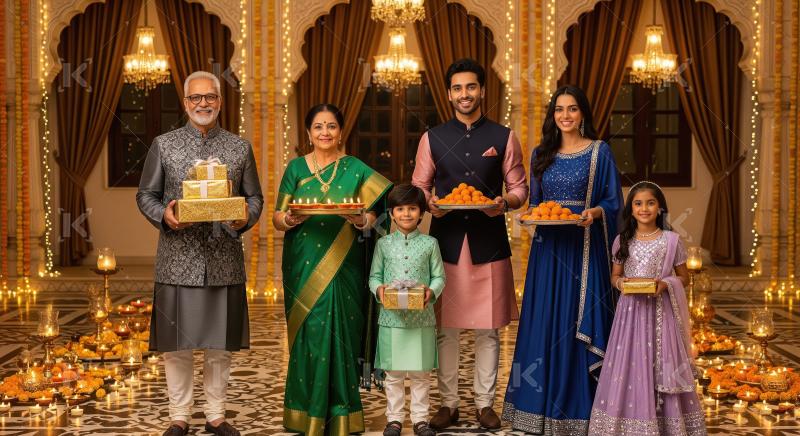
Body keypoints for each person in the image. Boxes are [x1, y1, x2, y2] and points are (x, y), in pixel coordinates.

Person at [137, 70, 263, 436]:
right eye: (196, 98)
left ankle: (215, 415)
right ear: (186, 103)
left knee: (219, 343)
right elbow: (145, 194)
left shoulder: (239, 148)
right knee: (175, 345)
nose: (203, 103)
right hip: (177, 260)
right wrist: (165, 215)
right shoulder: (164, 144)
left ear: (220, 102)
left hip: (224, 259)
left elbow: (254, 197)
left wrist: (244, 218)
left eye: (210, 97)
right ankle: (179, 416)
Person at [411, 58, 528, 430]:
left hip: (489, 243)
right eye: (458, 88)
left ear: (482, 91)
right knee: (445, 328)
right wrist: (428, 203)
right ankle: (448, 405)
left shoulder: (504, 136)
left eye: (471, 87)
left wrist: (503, 204)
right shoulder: (431, 137)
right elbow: (419, 187)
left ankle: (483, 404)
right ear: (449, 94)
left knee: (488, 329)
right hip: (443, 245)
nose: (465, 94)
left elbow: (519, 190)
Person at [502, 85, 623, 435]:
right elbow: (537, 205)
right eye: (559, 109)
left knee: (574, 324)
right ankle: (534, 409)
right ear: (552, 114)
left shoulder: (601, 153)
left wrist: (596, 212)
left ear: (583, 113)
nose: (565, 115)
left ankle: (580, 408)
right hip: (547, 253)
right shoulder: (541, 152)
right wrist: (526, 217)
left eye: (572, 109)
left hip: (584, 251)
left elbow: (615, 203)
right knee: (544, 321)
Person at [273, 104, 393, 435]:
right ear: (308, 132)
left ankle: (343, 410)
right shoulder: (296, 168)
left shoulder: (356, 168)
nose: (325, 133)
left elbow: (377, 216)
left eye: (331, 126)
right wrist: (290, 219)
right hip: (302, 261)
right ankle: (303, 409)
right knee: (310, 334)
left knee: (344, 332)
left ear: (341, 131)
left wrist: (360, 219)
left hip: (345, 264)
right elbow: (277, 217)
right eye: (318, 127)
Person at [588, 182, 706, 435]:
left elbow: (683, 278)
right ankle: (627, 422)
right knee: (630, 362)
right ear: (630, 209)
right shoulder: (623, 240)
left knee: (661, 363)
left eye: (650, 203)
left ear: (660, 207)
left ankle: (667, 425)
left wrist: (665, 283)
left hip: (661, 314)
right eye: (638, 203)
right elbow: (614, 276)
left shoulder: (672, 240)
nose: (644, 208)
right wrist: (623, 283)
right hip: (629, 315)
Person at [369, 184, 446, 436]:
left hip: (421, 319)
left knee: (421, 373)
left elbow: (439, 278)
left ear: (421, 213)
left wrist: (430, 292)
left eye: (412, 209)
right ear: (391, 213)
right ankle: (394, 420)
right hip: (391, 320)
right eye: (400, 209)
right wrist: (380, 291)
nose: (406, 214)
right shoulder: (383, 244)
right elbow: (374, 277)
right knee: (393, 374)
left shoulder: (430, 243)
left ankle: (421, 420)